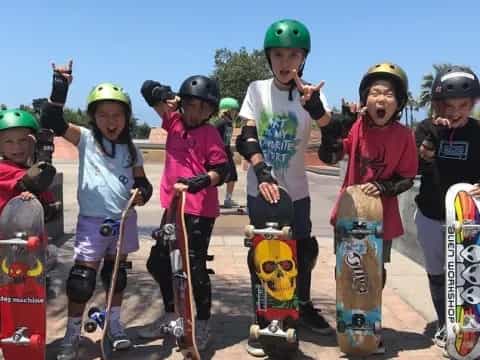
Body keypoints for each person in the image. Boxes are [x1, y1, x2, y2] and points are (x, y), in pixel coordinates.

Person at [40, 62, 153, 360]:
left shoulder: (132, 149)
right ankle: (72, 334)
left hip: (124, 220)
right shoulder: (86, 139)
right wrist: (60, 85)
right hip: (93, 222)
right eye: (103, 115)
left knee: (116, 278)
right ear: (93, 118)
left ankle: (114, 326)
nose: (110, 121)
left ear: (127, 118)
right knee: (81, 281)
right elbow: (51, 118)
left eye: (116, 115)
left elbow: (143, 182)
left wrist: (142, 193)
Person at [235, 19, 333, 357]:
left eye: (293, 54)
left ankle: (300, 306)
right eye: (278, 55)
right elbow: (245, 137)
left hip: (299, 191)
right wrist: (262, 173)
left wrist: (317, 110)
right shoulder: (257, 90)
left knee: (302, 253)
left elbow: (333, 145)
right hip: (262, 190)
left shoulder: (313, 95)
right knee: (264, 253)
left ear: (303, 58)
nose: (285, 62)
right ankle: (263, 318)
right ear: (269, 58)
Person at [320, 62, 418, 353]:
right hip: (350, 212)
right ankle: (348, 325)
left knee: (374, 272)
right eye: (375, 93)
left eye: (388, 94)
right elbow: (332, 154)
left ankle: (370, 326)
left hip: (380, 217)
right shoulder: (357, 127)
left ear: (398, 102)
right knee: (346, 270)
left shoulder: (404, 136)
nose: (381, 99)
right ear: (365, 99)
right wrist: (339, 125)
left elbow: (407, 177)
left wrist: (386, 187)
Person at [138, 75, 228, 351]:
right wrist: (166, 94)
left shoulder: (210, 133)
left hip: (200, 210)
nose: (195, 112)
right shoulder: (174, 122)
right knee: (158, 263)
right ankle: (171, 316)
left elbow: (223, 171)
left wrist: (200, 181)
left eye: (203, 108)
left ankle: (202, 323)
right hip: (172, 208)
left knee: (194, 269)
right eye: (190, 105)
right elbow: (146, 89)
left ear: (211, 111)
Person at [414, 66, 480, 349]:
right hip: (430, 212)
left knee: (467, 271)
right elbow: (416, 165)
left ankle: (469, 324)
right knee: (437, 271)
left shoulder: (478, 132)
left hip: (466, 216)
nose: (456, 112)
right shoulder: (426, 128)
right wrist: (429, 143)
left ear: (473, 104)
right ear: (438, 105)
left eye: (463, 105)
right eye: (449, 106)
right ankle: (444, 324)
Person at [0, 108, 56, 220]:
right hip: (6, 236)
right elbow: (33, 178)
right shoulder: (3, 168)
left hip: (31, 234)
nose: (17, 147)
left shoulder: (29, 169)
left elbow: (50, 210)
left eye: (23, 140)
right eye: (8, 142)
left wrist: (39, 202)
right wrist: (44, 155)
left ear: (33, 142)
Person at [216, 97, 240, 208]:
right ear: (228, 110)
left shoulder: (229, 123)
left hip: (227, 152)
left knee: (232, 176)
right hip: (218, 153)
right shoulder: (220, 123)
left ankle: (228, 199)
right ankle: (211, 199)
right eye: (234, 110)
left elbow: (227, 139)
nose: (236, 113)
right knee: (216, 176)